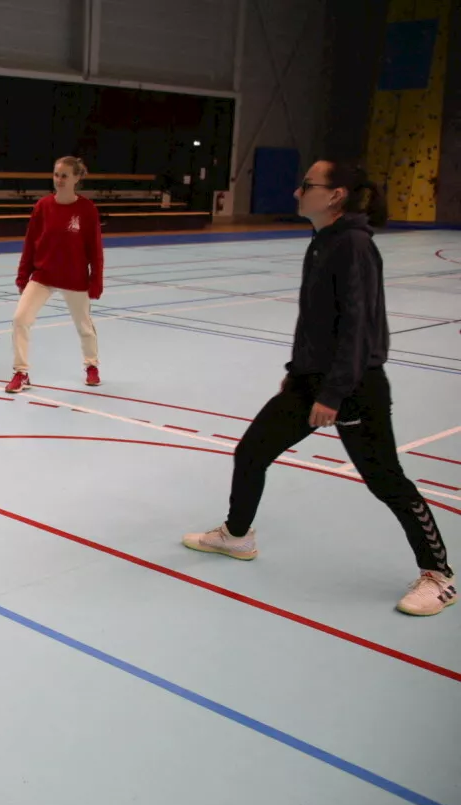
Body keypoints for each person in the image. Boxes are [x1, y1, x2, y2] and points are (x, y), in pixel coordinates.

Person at [183, 160, 454, 617]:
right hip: (311, 380)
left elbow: (357, 329)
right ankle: (237, 535)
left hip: (354, 385)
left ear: (335, 195)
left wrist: (333, 393)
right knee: (252, 451)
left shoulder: (352, 245)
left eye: (306, 185)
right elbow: (316, 320)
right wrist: (299, 370)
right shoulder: (323, 241)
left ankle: (438, 575)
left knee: (386, 480)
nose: (295, 192)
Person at [5, 156, 104, 394]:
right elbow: (30, 243)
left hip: (75, 278)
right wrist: (22, 276)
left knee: (84, 327)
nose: (59, 180)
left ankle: (91, 366)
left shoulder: (87, 210)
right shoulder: (43, 206)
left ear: (77, 178)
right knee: (20, 319)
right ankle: (21, 372)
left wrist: (96, 281)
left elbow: (95, 250)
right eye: (56, 175)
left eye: (64, 176)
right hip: (43, 275)